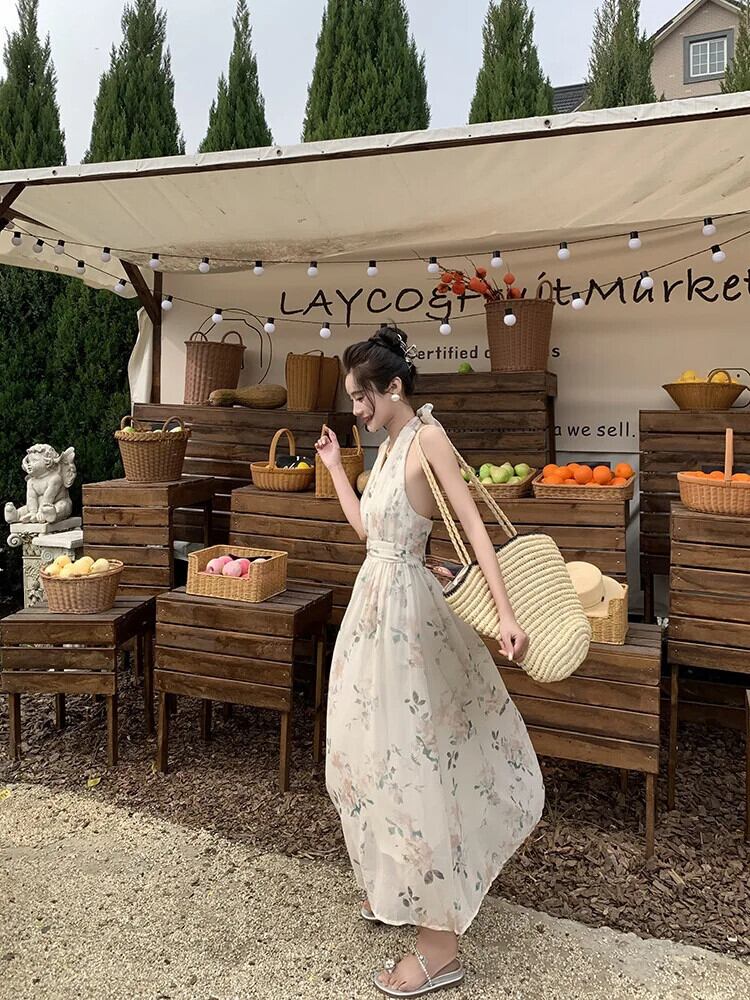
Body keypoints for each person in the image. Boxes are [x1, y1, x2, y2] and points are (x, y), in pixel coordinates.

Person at [315, 323, 544, 997]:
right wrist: (336, 468)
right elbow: (371, 532)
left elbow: (474, 526)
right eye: (353, 398)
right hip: (374, 612)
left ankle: (440, 948)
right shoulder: (387, 446)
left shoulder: (428, 438)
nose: (357, 409)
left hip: (408, 621)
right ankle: (399, 883)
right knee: (369, 752)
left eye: (363, 396)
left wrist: (506, 612)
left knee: (413, 759)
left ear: (394, 387)